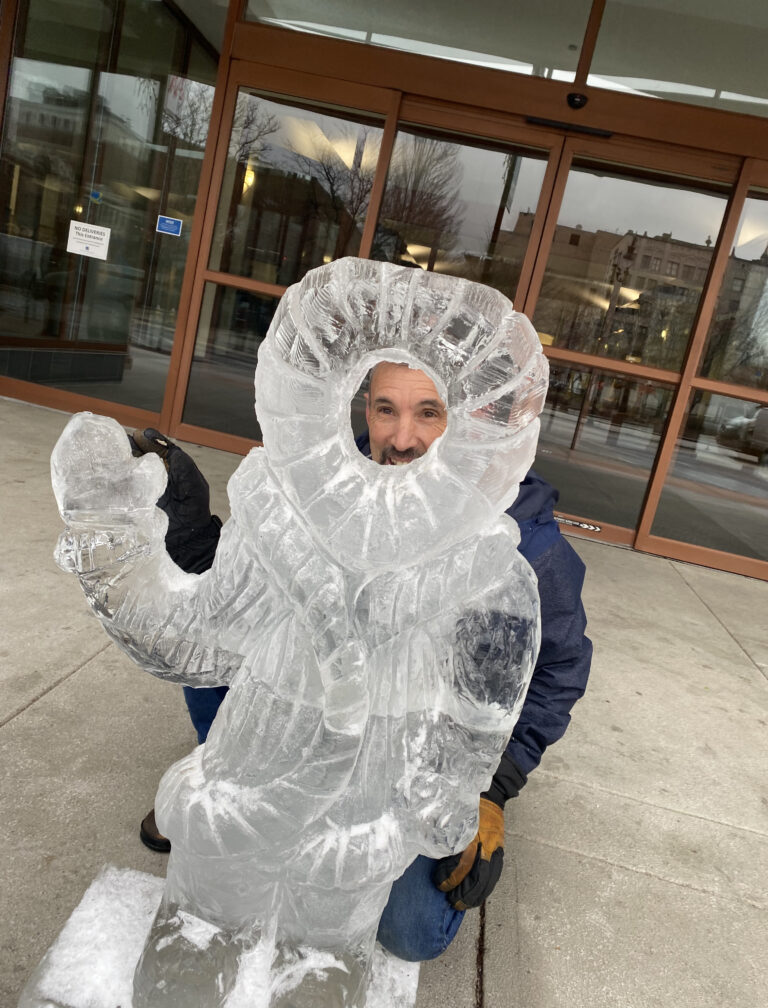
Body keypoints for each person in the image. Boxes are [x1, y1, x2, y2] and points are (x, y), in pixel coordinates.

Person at [134, 360, 592, 963]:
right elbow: (240, 607)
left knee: (409, 931)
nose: (401, 439)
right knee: (235, 659)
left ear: (473, 421)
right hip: (312, 709)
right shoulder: (326, 488)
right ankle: (235, 782)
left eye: (430, 413)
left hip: (409, 755)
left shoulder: (524, 540)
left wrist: (492, 788)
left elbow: (556, 671)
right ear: (364, 406)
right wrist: (188, 533)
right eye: (385, 410)